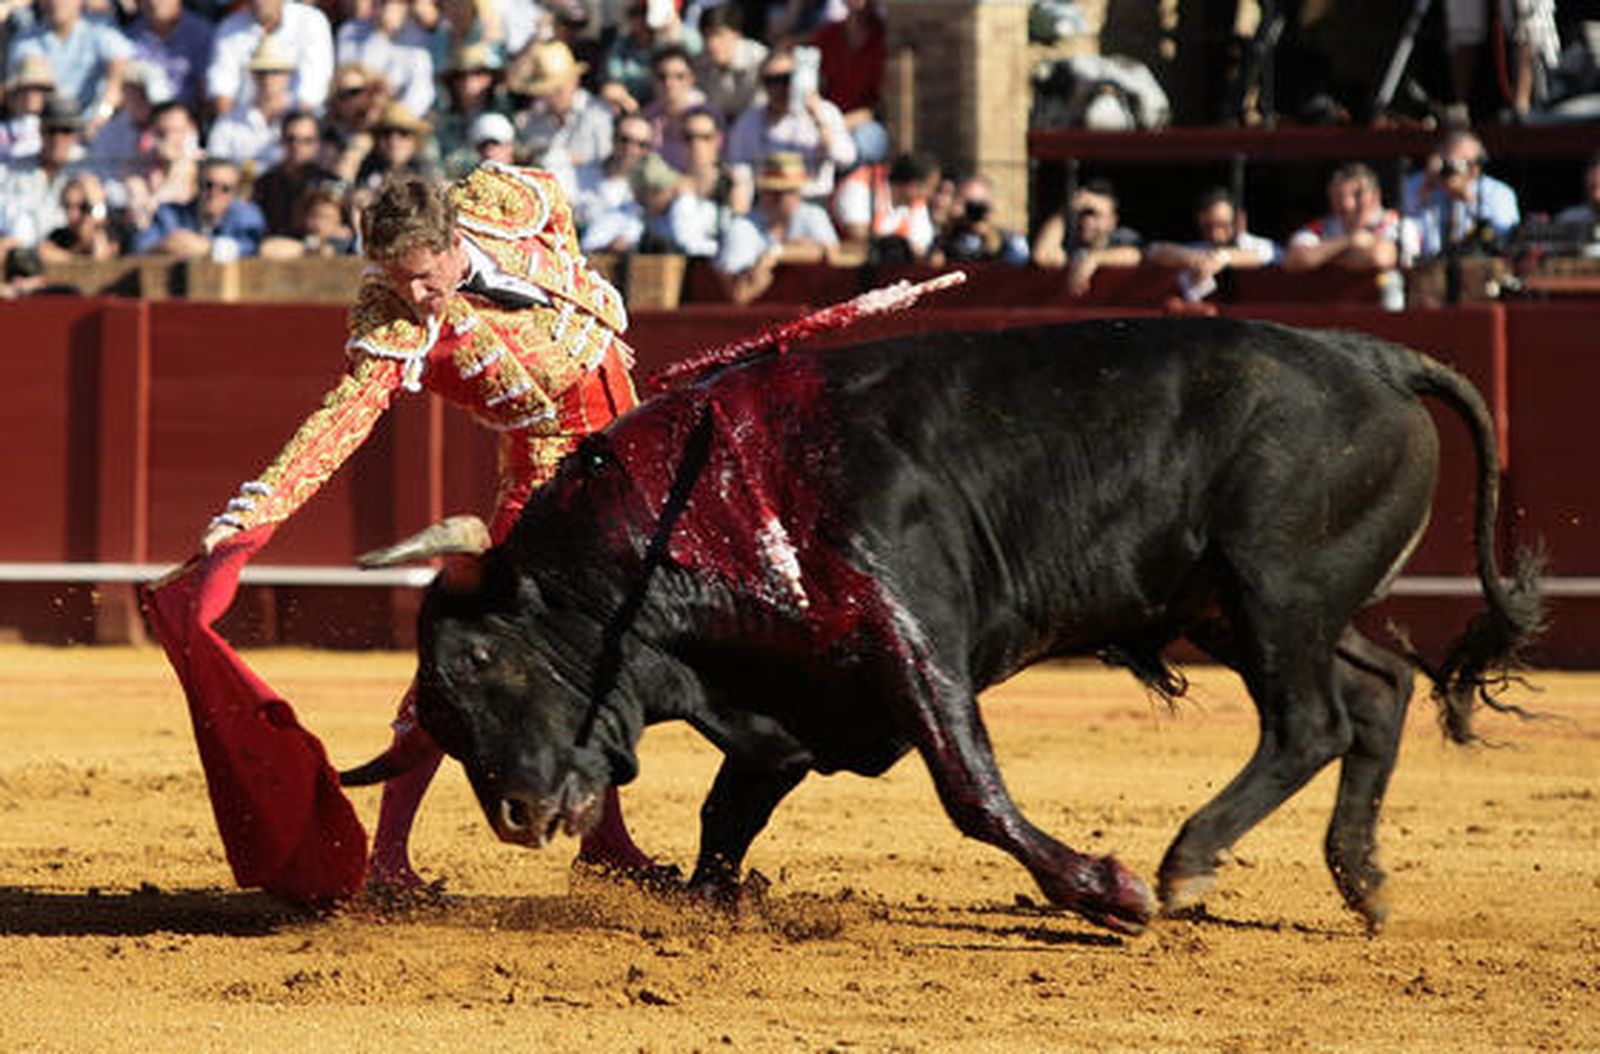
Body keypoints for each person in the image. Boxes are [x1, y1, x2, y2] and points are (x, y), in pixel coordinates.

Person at [198, 164, 655, 891]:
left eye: (423, 274)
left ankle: (607, 841)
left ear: (450, 240)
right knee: (469, 661)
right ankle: (387, 857)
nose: (415, 294)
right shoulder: (391, 321)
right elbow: (341, 420)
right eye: (396, 277)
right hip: (550, 487)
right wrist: (253, 516)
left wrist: (595, 310)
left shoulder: (505, 200)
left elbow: (552, 203)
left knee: (609, 656)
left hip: (633, 451)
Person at [725, 46, 855, 203]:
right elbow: (739, 169)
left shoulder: (825, 112)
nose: (778, 88)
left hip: (813, 200)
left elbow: (846, 159)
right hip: (767, 204)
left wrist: (818, 120)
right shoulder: (749, 121)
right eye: (771, 81)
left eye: (785, 79)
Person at [714, 150, 838, 304]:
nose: (783, 199)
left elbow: (833, 253)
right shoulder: (742, 227)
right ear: (764, 193)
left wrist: (778, 253)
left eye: (790, 191)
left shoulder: (812, 214)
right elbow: (738, 292)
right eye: (774, 192)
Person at [5, 0, 131, 134]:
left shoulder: (101, 32)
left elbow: (117, 77)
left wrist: (101, 115)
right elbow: (27, 97)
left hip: (95, 128)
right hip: (46, 132)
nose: (55, 3)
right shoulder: (26, 40)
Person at [1401, 129, 1521, 260]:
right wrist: (1427, 186)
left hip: (1478, 265)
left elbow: (1504, 234)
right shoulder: (1420, 183)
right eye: (1451, 162)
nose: (1458, 169)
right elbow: (1404, 220)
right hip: (1429, 266)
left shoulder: (1499, 193)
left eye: (1467, 163)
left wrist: (1468, 198)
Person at [1145, 186, 1279, 302]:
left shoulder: (1260, 245)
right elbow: (1153, 250)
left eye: (1223, 225)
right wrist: (1191, 258)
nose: (1216, 235)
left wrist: (1222, 258)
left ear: (1240, 220)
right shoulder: (1201, 248)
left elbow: (1268, 254)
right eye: (1207, 227)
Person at [207, 0, 337, 119]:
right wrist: (235, 128)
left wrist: (285, 129)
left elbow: (312, 93)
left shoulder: (312, 21)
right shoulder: (229, 27)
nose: (259, 2)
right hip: (243, 125)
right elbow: (221, 91)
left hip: (300, 125)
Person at [1284, 162, 1420, 275]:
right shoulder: (1319, 228)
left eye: (1357, 195)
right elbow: (1293, 260)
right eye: (1338, 196)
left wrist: (1321, 258)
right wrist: (1349, 240)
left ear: (1376, 196)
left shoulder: (1398, 224)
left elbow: (1379, 257)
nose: (1347, 204)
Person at [508, 39, 611, 175]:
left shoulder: (598, 115)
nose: (551, 96)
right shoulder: (532, 119)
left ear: (575, 81)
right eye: (545, 91)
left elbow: (607, 166)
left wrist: (569, 160)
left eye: (557, 89)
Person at [132, 155, 267, 258]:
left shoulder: (247, 215)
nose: (214, 193)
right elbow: (139, 248)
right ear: (195, 185)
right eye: (208, 185)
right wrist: (163, 247)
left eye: (225, 188)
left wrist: (208, 248)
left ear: (234, 192)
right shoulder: (169, 214)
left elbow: (254, 248)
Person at [1029, 177, 1144, 296]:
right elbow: (1042, 256)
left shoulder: (1122, 237)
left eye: (1093, 214)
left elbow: (1138, 255)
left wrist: (1094, 259)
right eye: (1080, 213)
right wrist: (1066, 211)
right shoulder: (1071, 244)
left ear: (1112, 221)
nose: (1085, 220)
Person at [0, 98, 88, 248]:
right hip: (21, 257)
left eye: (66, 130)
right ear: (40, 131)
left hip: (70, 256)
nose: (58, 138)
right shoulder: (14, 171)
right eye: (51, 130)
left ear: (76, 135)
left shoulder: (87, 169)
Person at [809, 0, 886, 166]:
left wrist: (841, 124)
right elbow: (813, 86)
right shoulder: (828, 34)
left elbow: (881, 106)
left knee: (862, 143)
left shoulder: (885, 37)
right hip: (827, 120)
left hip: (867, 124)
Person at [204, 36, 301, 169]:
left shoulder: (304, 117)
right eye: (262, 72)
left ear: (288, 75)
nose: (268, 78)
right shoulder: (228, 120)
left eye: (276, 71)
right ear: (252, 75)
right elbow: (214, 165)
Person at [337, 0, 437, 120]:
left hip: (397, 123)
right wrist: (381, 34)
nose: (387, 7)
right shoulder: (350, 31)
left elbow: (421, 96)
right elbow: (348, 78)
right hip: (356, 118)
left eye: (395, 2)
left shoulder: (419, 40)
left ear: (406, 7)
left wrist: (391, 118)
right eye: (382, 2)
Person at [832, 151, 936, 264]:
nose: (931, 195)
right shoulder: (859, 186)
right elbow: (857, 235)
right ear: (913, 186)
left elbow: (920, 247)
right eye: (930, 188)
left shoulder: (916, 202)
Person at [573, 110, 653, 252]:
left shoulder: (648, 186)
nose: (631, 149)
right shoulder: (581, 175)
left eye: (641, 144)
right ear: (613, 138)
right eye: (625, 140)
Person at [252, 109, 335, 235]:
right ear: (281, 141)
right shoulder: (265, 185)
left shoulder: (332, 183)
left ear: (317, 144)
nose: (297, 146)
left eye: (307, 141)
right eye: (291, 139)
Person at [124, 0, 214, 111]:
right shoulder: (128, 36)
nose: (154, 2)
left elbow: (206, 90)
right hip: (142, 117)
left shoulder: (202, 33)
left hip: (188, 117)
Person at [929, 172, 1029, 267]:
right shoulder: (946, 241)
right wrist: (951, 226)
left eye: (979, 206)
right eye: (969, 206)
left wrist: (990, 236)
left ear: (990, 206)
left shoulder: (1008, 241)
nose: (975, 212)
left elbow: (1017, 267)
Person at [693, 4, 767, 124]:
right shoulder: (699, 63)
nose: (711, 43)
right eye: (706, 36)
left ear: (736, 35)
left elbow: (760, 108)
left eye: (718, 34)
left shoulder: (758, 60)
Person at [39, 169, 127, 260]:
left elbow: (102, 257)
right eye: (68, 206)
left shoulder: (112, 230)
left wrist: (97, 214)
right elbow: (44, 252)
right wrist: (80, 259)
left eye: (81, 207)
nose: (73, 214)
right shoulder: (60, 236)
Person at [355, 100, 436, 194]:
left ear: (415, 142)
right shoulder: (365, 169)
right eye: (386, 132)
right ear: (376, 139)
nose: (393, 140)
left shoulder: (426, 177)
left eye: (403, 133)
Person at [0, 53, 57, 162]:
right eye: (26, 88)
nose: (31, 95)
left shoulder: (55, 133)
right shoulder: (2, 129)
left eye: (39, 89)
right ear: (13, 94)